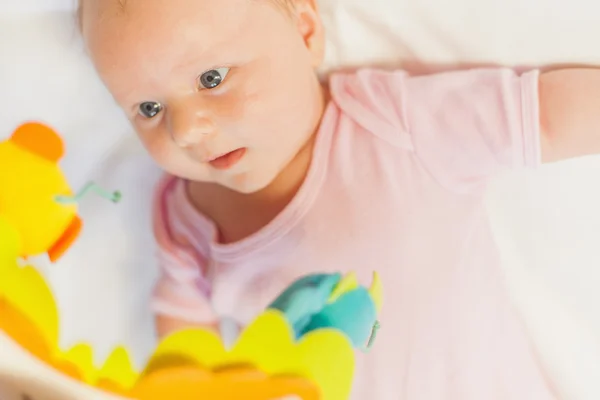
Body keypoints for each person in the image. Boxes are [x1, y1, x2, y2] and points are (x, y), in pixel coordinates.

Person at [79, 0, 600, 398]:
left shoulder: (392, 123)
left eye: (211, 79)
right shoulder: (185, 217)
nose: (188, 129)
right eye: (147, 107)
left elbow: (544, 117)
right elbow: (186, 345)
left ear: (305, 31)